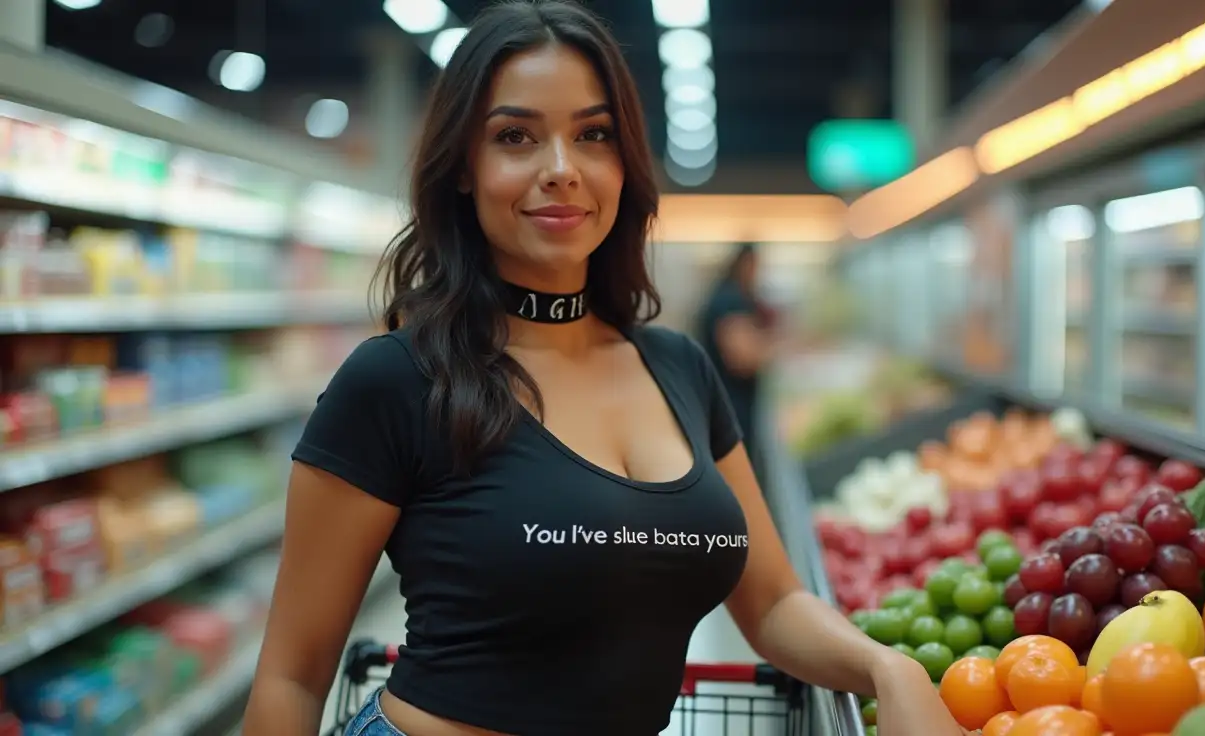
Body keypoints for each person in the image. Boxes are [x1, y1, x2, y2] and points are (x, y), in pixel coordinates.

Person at [241, 2, 963, 735]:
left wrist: (887, 668)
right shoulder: (397, 380)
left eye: (593, 135)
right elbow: (291, 679)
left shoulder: (679, 367)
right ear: (463, 166)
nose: (562, 170)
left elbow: (773, 602)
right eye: (516, 137)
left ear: (624, 164)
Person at [696, 243, 773, 472]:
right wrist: (773, 350)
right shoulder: (730, 299)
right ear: (745, 263)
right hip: (731, 408)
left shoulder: (725, 295)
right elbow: (742, 359)